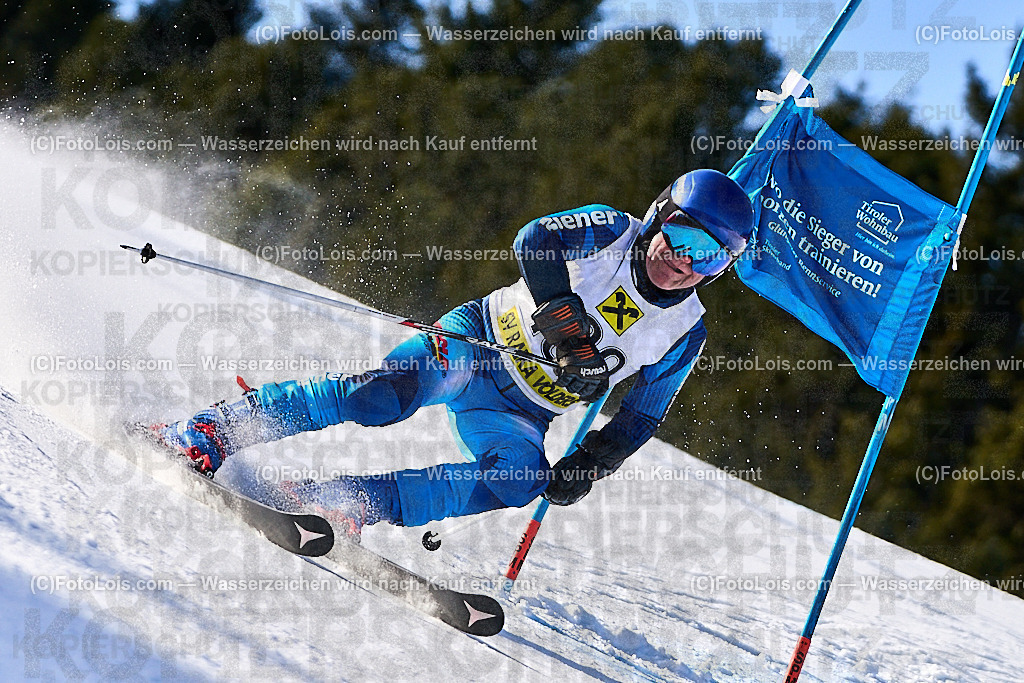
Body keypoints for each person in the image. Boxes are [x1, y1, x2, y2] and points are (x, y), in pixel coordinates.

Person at [147, 169, 755, 539]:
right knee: (380, 398)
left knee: (520, 482)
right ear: (658, 218)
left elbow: (643, 415)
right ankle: (211, 429)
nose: (684, 260)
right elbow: (535, 239)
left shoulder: (686, 329)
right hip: (476, 344)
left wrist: (594, 462)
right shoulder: (615, 232)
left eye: (710, 256)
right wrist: (563, 317)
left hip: (525, 413)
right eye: (681, 236)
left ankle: (353, 501)